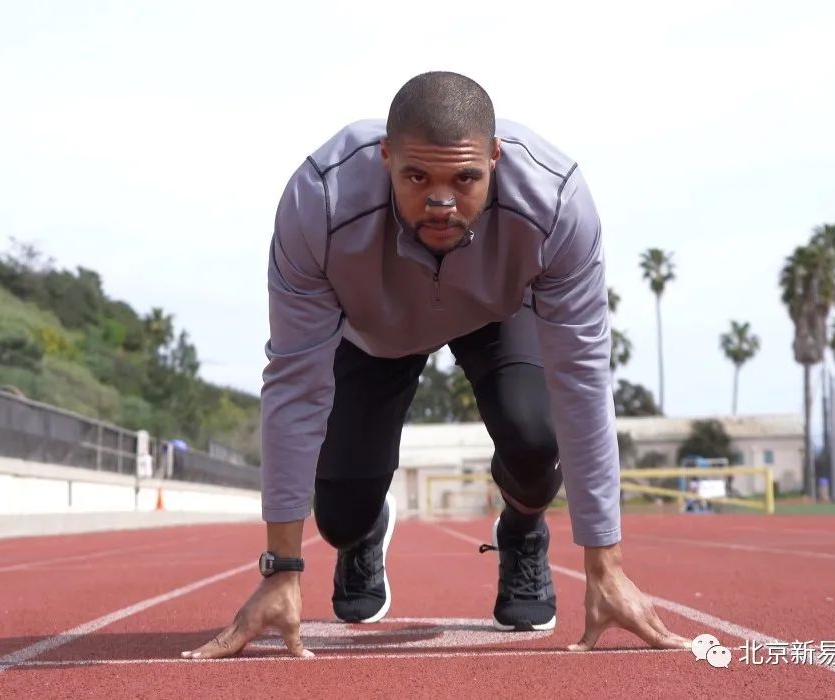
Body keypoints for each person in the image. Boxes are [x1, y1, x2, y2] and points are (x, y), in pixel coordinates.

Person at [182, 71, 689, 660]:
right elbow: (295, 383)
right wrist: (281, 571)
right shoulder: (318, 201)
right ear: (385, 157)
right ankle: (365, 529)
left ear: (496, 159)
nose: (442, 203)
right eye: (417, 177)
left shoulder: (555, 202)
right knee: (339, 518)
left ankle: (523, 531)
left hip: (496, 313)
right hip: (376, 330)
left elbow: (581, 379)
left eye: (465, 178)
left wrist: (606, 566)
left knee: (536, 433)